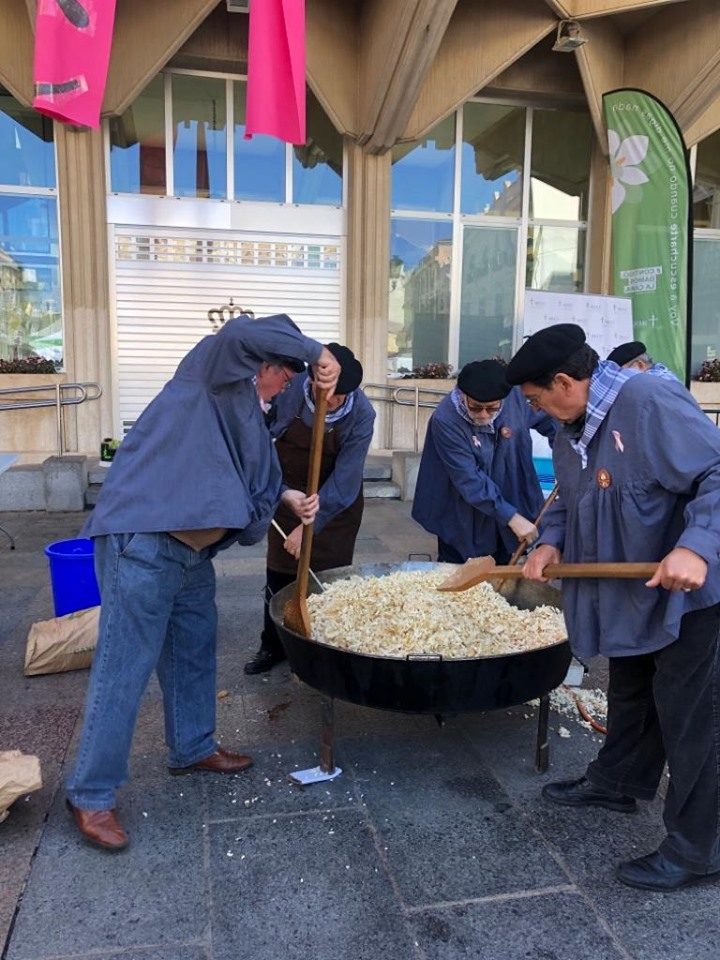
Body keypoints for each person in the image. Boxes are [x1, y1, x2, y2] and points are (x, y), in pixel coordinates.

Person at [65, 314, 341, 851]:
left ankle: (192, 746)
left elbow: (248, 473)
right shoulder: (213, 371)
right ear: (263, 363)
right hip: (144, 540)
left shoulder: (251, 413)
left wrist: (285, 496)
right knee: (124, 667)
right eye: (285, 373)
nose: (287, 384)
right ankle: (91, 792)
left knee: (193, 651)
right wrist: (317, 351)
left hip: (194, 552)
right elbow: (240, 332)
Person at [505, 323, 720, 893]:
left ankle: (700, 848)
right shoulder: (569, 426)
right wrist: (551, 540)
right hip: (630, 594)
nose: (536, 411)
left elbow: (717, 472)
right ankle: (619, 779)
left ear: (563, 382)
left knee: (692, 716)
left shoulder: (648, 401)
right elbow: (567, 499)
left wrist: (697, 546)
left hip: (687, 593)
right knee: (631, 687)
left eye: (536, 399)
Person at [244, 343, 375, 674]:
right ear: (313, 379)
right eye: (324, 393)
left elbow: (346, 479)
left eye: (339, 397)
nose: (331, 402)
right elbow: (263, 439)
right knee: (280, 571)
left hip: (334, 504)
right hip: (289, 492)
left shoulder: (362, 414)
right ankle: (272, 645)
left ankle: (324, 647)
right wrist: (280, 492)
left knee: (328, 576)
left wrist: (310, 526)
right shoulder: (290, 390)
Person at [411, 358, 556, 564]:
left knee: (504, 567)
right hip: (461, 512)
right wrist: (512, 517)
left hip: (510, 494)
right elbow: (469, 479)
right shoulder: (445, 419)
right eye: (476, 407)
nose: (484, 414)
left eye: (492, 408)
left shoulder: (515, 397)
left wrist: (568, 454)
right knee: (462, 571)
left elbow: (552, 420)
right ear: (462, 395)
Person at [606, 339, 679, 380]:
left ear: (640, 365)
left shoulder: (651, 384)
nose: (618, 379)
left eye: (621, 373)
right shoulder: (662, 375)